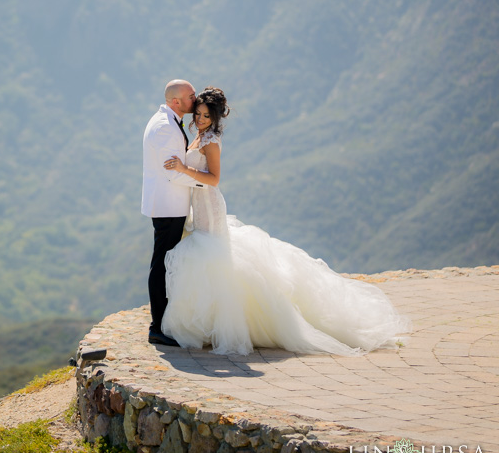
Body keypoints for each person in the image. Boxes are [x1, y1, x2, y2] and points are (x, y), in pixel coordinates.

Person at [160, 86, 409, 356]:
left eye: (206, 116)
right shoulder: (198, 135)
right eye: (197, 114)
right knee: (207, 264)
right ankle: (208, 325)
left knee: (214, 261)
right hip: (199, 207)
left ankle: (229, 326)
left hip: (210, 207)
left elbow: (214, 179)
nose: (200, 119)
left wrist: (184, 168)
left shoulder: (210, 141)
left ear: (216, 118)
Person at [141, 79, 205, 347]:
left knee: (164, 262)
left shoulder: (165, 121)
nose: (196, 98)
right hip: (169, 205)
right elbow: (172, 172)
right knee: (162, 265)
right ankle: (158, 326)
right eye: (192, 96)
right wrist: (205, 182)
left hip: (168, 203)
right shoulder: (166, 128)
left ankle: (163, 322)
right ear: (176, 102)